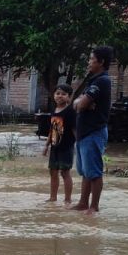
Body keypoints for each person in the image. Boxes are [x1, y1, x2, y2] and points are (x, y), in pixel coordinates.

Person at [72, 46, 114, 213]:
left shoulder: (102, 81)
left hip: (94, 131)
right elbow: (78, 103)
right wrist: (80, 103)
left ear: (101, 61)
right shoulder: (94, 80)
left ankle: (94, 206)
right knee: (85, 172)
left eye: (91, 59)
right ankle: (83, 203)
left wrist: (81, 103)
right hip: (84, 132)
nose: (88, 62)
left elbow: (80, 104)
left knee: (94, 172)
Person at [42, 84, 76, 203]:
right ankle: (53, 197)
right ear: (53, 95)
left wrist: (80, 144)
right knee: (53, 172)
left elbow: (74, 129)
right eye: (57, 93)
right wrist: (46, 145)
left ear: (69, 97)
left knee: (65, 172)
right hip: (54, 146)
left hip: (66, 147)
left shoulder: (70, 112)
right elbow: (52, 129)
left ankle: (67, 199)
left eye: (63, 94)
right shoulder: (54, 110)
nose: (60, 96)